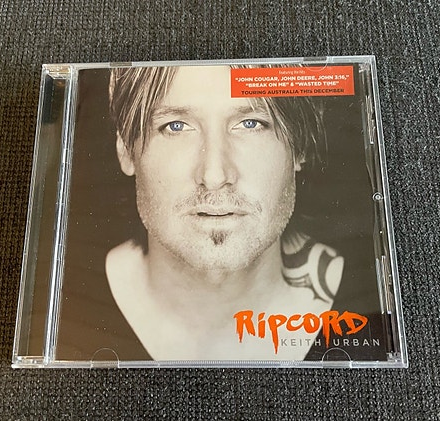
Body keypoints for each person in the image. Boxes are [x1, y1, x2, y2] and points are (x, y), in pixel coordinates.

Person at [105, 65, 345, 360]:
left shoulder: (376, 296)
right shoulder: (64, 296)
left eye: (250, 123)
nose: (214, 175)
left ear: (301, 143)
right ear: (125, 148)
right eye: (176, 126)